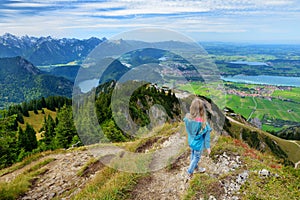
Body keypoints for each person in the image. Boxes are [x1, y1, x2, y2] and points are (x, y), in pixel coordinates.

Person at [183, 97, 212, 180]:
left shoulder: (187, 119)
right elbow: (207, 136)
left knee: (193, 154)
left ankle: (196, 167)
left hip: (191, 141)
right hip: (198, 145)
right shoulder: (203, 124)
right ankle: (189, 172)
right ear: (202, 110)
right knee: (196, 157)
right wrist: (208, 147)